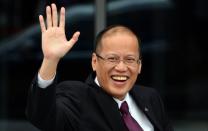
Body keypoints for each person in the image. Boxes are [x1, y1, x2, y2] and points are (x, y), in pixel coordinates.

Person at [26, 3, 173, 131]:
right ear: (95, 62)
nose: (121, 67)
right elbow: (42, 116)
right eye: (112, 58)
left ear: (139, 66)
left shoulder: (150, 98)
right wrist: (50, 60)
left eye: (129, 59)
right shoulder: (77, 98)